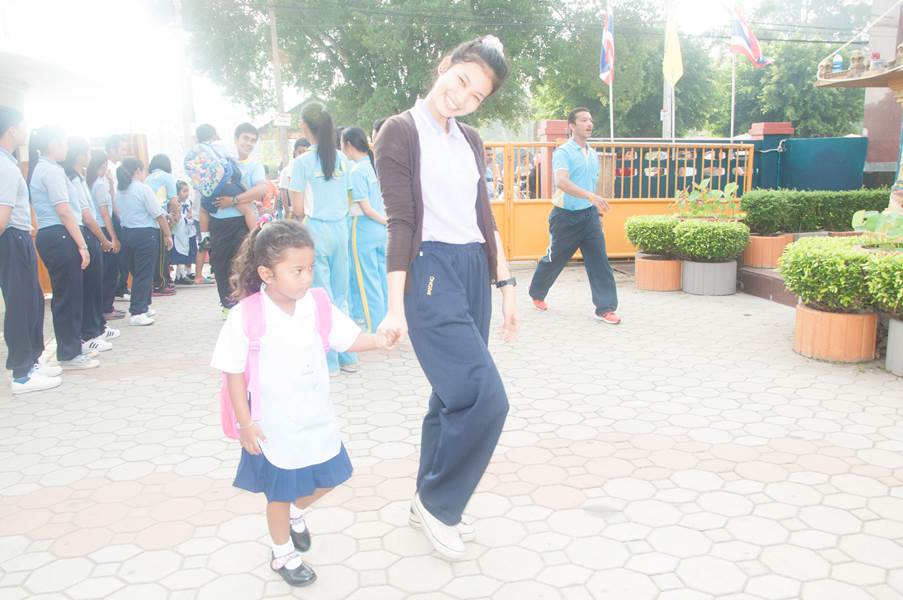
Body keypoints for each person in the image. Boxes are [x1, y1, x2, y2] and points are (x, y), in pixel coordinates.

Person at [374, 35, 519, 560]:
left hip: (473, 268)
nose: (462, 97)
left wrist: (505, 284)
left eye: (476, 95)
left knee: (451, 395)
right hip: (430, 268)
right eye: (461, 81)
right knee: (485, 397)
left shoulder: (470, 140)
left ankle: (425, 500)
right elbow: (400, 222)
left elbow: (484, 215)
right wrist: (395, 307)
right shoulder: (399, 131)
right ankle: (441, 505)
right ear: (444, 66)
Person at [211, 219, 394, 587]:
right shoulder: (248, 314)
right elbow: (233, 372)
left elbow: (347, 339)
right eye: (297, 270)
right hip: (273, 427)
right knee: (278, 493)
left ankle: (297, 512)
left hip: (316, 418)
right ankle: (282, 553)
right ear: (266, 273)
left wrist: (378, 340)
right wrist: (245, 424)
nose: (307, 277)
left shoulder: (317, 304)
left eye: (310, 268)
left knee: (332, 476)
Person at [528, 107, 621, 324]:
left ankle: (605, 308)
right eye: (584, 120)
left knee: (600, 261)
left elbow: (591, 184)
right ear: (572, 126)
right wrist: (590, 196)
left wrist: (596, 209)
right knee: (554, 259)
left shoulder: (593, 154)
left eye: (590, 120)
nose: (589, 124)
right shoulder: (564, 152)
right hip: (565, 217)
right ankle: (537, 292)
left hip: (589, 216)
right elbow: (561, 181)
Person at [289, 104, 359, 375]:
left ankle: (329, 361)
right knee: (341, 295)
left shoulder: (301, 162)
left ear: (304, 126)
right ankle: (348, 356)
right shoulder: (342, 158)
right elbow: (349, 197)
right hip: (341, 228)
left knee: (320, 296)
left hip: (315, 231)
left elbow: (297, 208)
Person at [0, 107, 62, 393]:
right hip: (12, 238)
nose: (27, 130)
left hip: (18, 237)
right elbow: (3, 218)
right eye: (23, 125)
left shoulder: (8, 163)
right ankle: (22, 374)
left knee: (33, 301)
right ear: (12, 129)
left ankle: (32, 362)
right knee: (21, 305)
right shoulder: (5, 166)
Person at [28, 126, 99, 370]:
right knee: (68, 296)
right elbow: (64, 211)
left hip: (56, 234)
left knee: (70, 294)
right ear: (53, 144)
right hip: (59, 234)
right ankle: (69, 353)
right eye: (64, 143)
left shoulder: (47, 168)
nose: (67, 148)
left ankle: (72, 346)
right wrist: (82, 245)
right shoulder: (50, 170)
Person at [63, 137, 119, 354]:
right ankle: (90, 333)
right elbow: (87, 216)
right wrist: (104, 239)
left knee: (96, 285)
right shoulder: (73, 180)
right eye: (87, 152)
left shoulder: (80, 178)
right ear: (80, 155)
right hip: (86, 233)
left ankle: (97, 328)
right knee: (91, 288)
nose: (89, 156)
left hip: (90, 234)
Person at [205, 123, 267, 316]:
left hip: (242, 222)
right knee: (221, 266)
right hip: (218, 223)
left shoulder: (254, 167)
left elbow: (261, 189)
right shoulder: (220, 163)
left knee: (244, 265)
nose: (248, 143)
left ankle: (247, 306)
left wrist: (233, 201)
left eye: (252, 140)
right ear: (236, 139)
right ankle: (227, 306)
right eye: (245, 138)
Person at [116, 158, 174, 326]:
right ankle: (137, 312)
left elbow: (118, 213)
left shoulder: (120, 190)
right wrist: (168, 235)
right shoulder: (143, 189)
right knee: (144, 273)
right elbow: (158, 214)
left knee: (138, 272)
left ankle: (144, 305)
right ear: (137, 170)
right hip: (145, 234)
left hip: (127, 233)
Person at [342, 127, 388, 332]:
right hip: (381, 232)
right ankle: (387, 324)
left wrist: (385, 221)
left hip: (363, 230)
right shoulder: (373, 167)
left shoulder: (356, 172)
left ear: (348, 144)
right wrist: (386, 222)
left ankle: (375, 328)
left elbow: (366, 209)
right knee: (382, 278)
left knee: (367, 281)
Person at [87, 150, 125, 320]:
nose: (105, 171)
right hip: (104, 228)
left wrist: (110, 183)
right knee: (110, 271)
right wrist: (113, 237)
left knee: (106, 270)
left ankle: (105, 306)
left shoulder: (91, 183)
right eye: (104, 167)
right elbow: (105, 213)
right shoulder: (99, 185)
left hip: (98, 228)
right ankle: (106, 308)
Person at [145, 154, 179, 296]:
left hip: (147, 220)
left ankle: (159, 282)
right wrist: (176, 215)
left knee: (156, 253)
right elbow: (174, 201)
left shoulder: (147, 178)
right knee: (162, 253)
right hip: (160, 219)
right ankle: (161, 284)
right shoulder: (167, 177)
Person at [104, 135, 131, 301]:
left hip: (121, 212)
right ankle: (119, 287)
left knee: (123, 252)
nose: (124, 152)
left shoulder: (120, 168)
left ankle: (121, 286)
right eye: (122, 149)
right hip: (113, 214)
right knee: (117, 251)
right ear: (112, 150)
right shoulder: (106, 169)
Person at [171, 180, 198, 284]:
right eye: (184, 191)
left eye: (187, 191)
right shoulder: (175, 203)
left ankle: (184, 274)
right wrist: (185, 218)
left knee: (188, 252)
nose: (186, 194)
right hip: (178, 232)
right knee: (180, 252)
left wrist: (190, 218)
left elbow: (192, 215)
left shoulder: (189, 203)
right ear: (177, 192)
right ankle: (180, 275)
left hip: (188, 231)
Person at [277, 138, 310, 218]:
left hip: (306, 209)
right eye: (299, 152)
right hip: (292, 210)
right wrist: (287, 211)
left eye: (304, 152)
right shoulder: (287, 170)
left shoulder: (309, 169)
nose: (301, 155)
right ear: (294, 152)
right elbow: (283, 191)